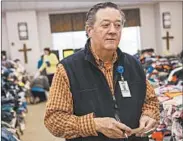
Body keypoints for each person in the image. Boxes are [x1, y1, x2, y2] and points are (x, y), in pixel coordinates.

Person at [44, 2, 160, 141]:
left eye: (118, 25)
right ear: (89, 30)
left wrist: (148, 115)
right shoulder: (68, 69)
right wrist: (95, 124)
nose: (113, 30)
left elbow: (151, 101)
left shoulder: (133, 64)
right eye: (105, 25)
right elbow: (54, 120)